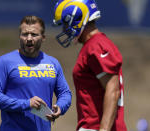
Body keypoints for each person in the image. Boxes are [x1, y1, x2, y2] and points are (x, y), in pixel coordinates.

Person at [0, 15, 72, 131]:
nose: (29, 38)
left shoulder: (53, 63)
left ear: (43, 37)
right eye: (25, 34)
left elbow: (65, 93)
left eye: (34, 34)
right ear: (19, 36)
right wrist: (26, 104)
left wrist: (60, 107)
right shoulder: (4, 62)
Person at [53, 0, 127, 131]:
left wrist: (103, 129)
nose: (64, 29)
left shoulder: (96, 45)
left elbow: (112, 89)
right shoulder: (92, 45)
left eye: (65, 23)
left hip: (96, 127)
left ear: (77, 17)